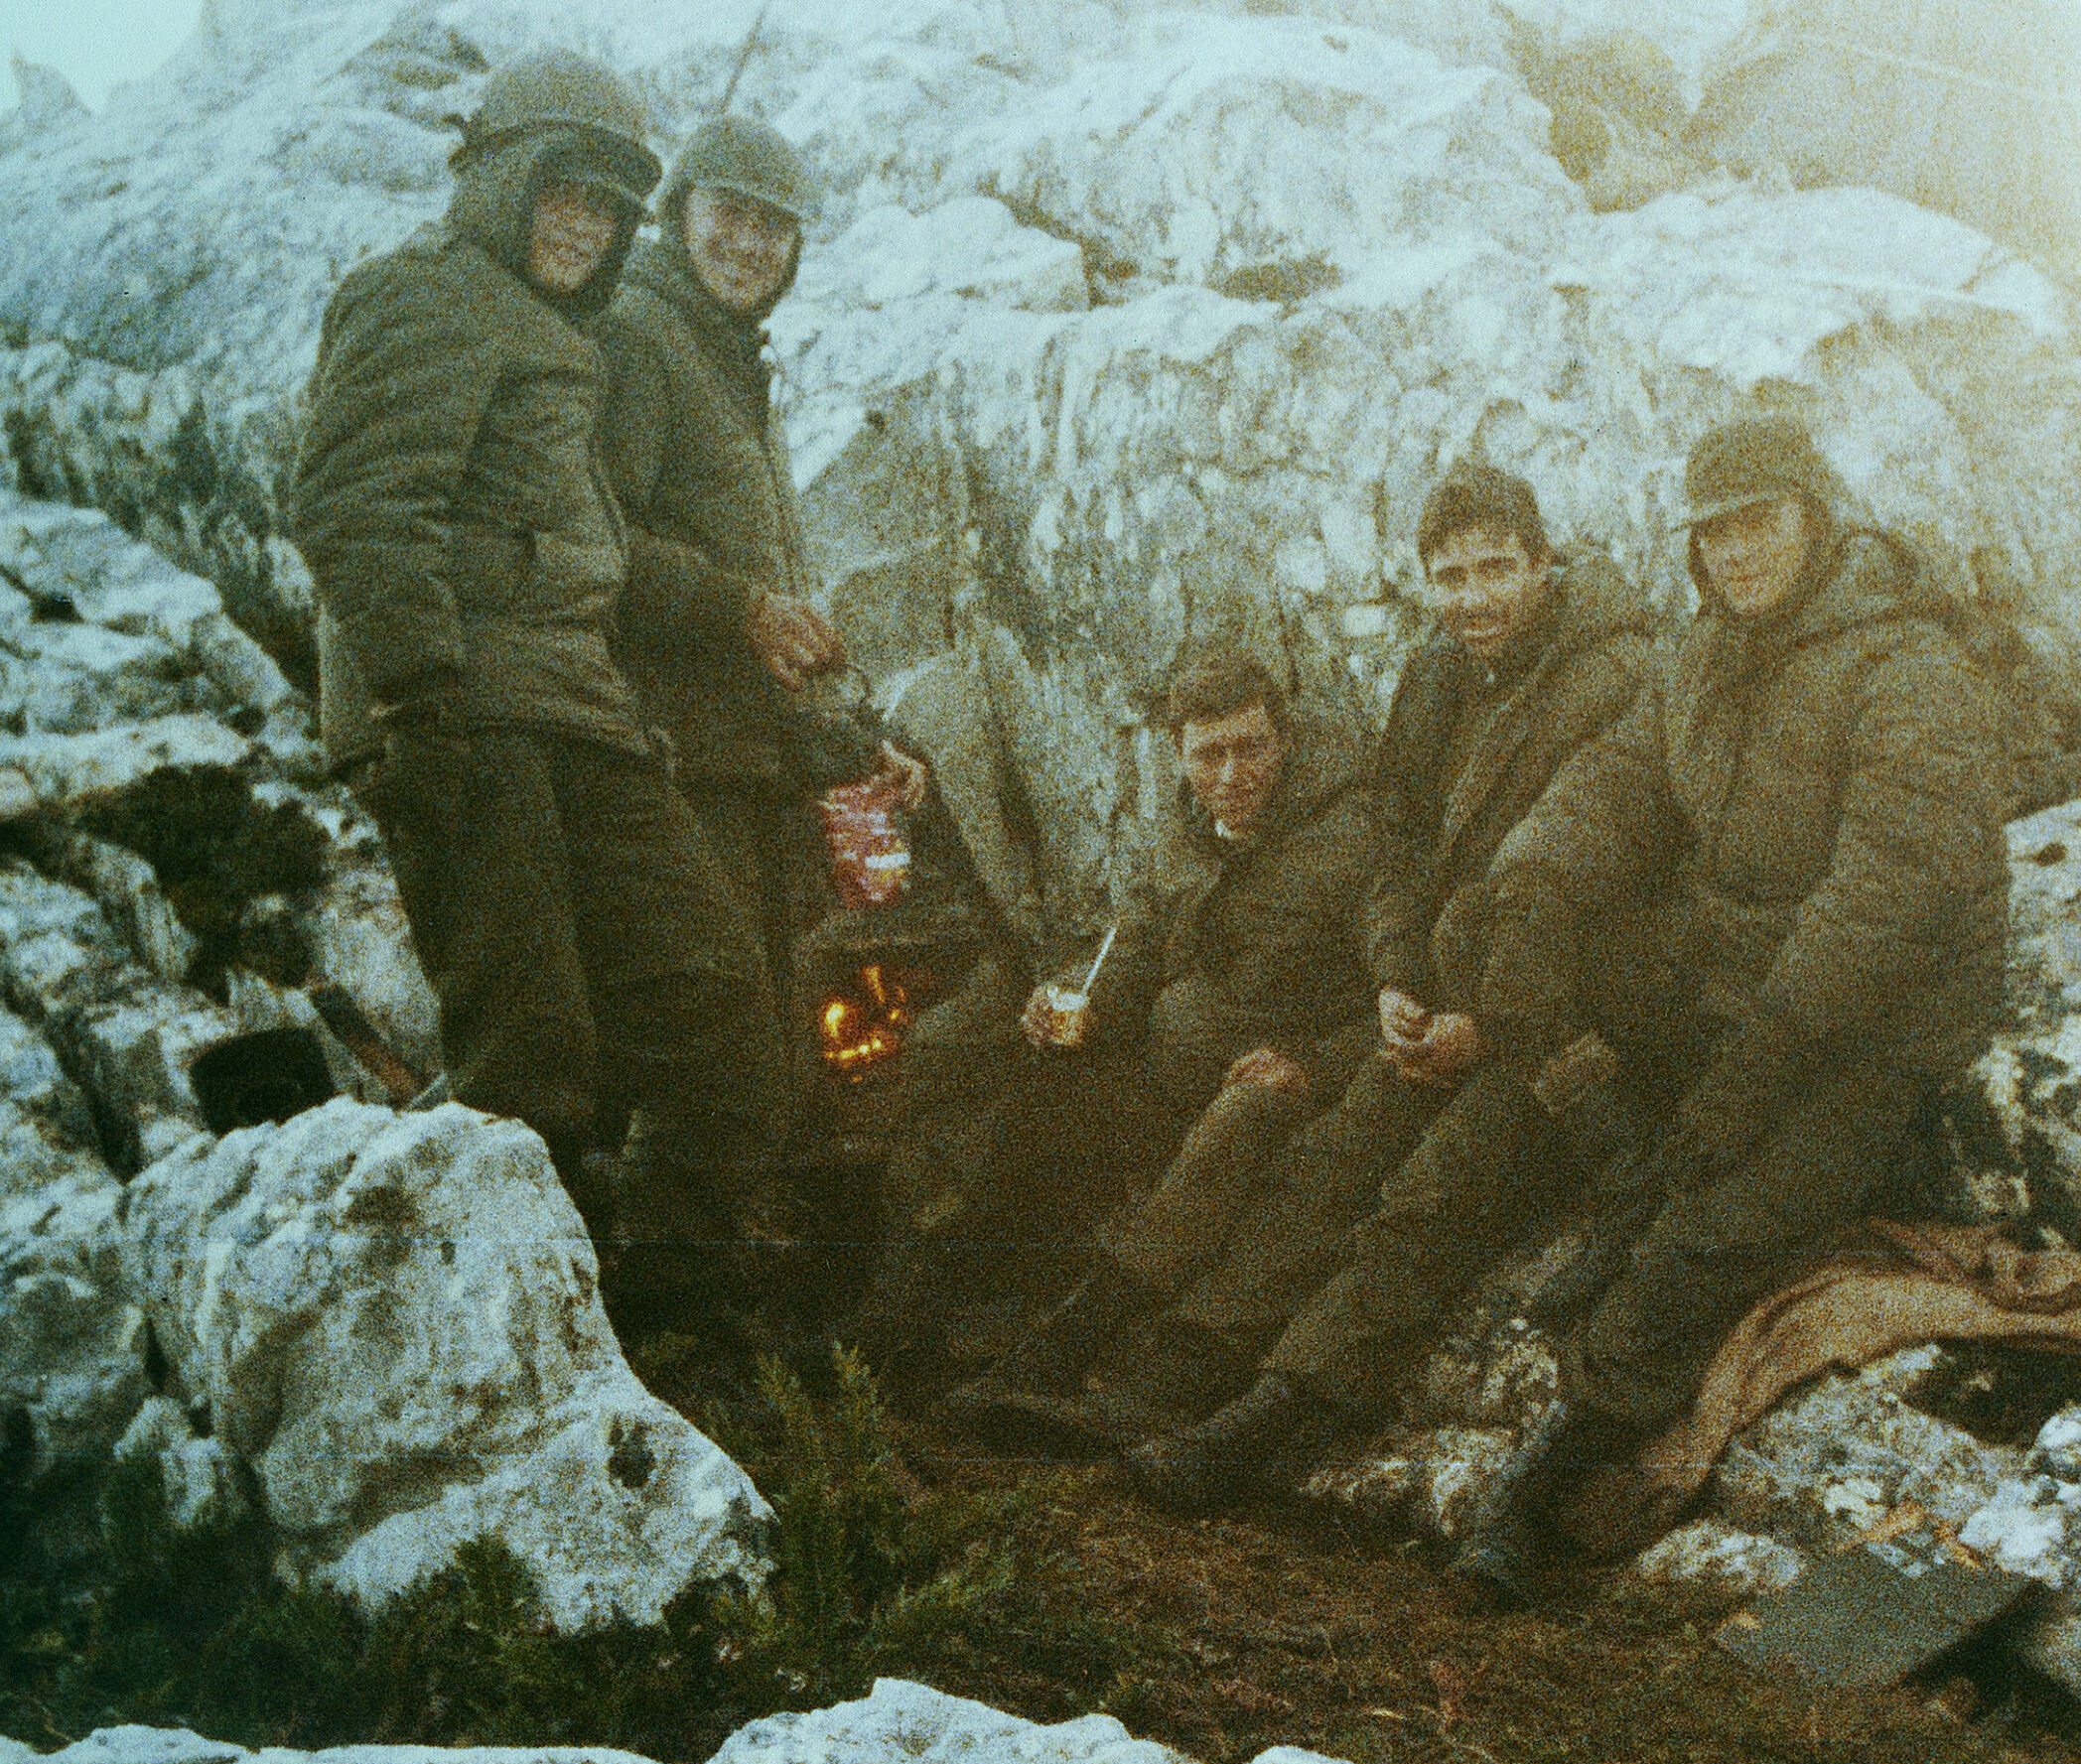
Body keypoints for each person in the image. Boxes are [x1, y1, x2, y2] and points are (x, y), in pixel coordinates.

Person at [966, 465, 1654, 1490]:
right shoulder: (1440, 669)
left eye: (1496, 568)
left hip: (1560, 1017)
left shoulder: (1619, 676)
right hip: (1447, 987)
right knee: (1324, 1148)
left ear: (1545, 563)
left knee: (1391, 1178)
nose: (1473, 596)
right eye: (1449, 574)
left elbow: (1605, 880)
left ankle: (1212, 1395)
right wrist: (1399, 981)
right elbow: (1402, 851)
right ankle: (1154, 1372)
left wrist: (1482, 1016)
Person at [1450, 414, 2010, 1603]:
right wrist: (1533, 892)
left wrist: (1746, 1084)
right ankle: (1624, 1162)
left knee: (1708, 1232)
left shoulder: (1910, 670)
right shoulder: (1703, 654)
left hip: (1868, 1028)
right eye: (1711, 532)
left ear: (1814, 516)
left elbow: (1883, 907)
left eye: (1758, 521)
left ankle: (1540, 1479)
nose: (1735, 552)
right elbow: (1613, 787)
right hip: (1736, 979)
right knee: (1488, 928)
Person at [290, 50, 779, 1270]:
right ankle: (544, 1354)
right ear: (500, 180)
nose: (585, 222)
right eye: (561, 189)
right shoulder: (420, 292)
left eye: (609, 204)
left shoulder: (564, 336)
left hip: (573, 716)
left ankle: (673, 1314)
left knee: (711, 997)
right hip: (465, 719)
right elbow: (354, 501)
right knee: (531, 1057)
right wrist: (424, 695)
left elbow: (580, 554)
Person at [936, 647, 1378, 1413]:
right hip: (1170, 1069)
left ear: (1287, 741)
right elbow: (1135, 939)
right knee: (1033, 1084)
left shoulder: (1352, 832)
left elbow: (1403, 989)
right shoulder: (1184, 829)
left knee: (1236, 1121)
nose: (1232, 775)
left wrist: (1313, 1061)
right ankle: (933, 1309)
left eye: (1252, 748)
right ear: (1178, 755)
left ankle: (1060, 1350)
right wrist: (1085, 1003)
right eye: (1209, 755)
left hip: (1274, 1084)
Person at [597, 115, 927, 1131]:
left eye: (774, 228)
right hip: (673, 755)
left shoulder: (728, 354)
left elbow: (769, 606)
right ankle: (703, 1266)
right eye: (729, 216)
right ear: (676, 212)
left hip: (752, 755)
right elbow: (598, 538)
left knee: (831, 990)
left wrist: (857, 739)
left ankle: (781, 1238)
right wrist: (739, 608)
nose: (750, 246)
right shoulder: (637, 333)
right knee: (720, 1026)